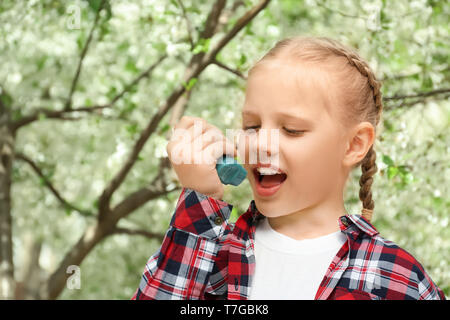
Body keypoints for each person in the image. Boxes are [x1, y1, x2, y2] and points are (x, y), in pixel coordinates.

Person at [131, 36, 446, 300]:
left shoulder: (397, 276)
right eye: (252, 126)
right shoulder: (211, 252)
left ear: (353, 145)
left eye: (292, 130)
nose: (261, 144)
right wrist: (200, 198)